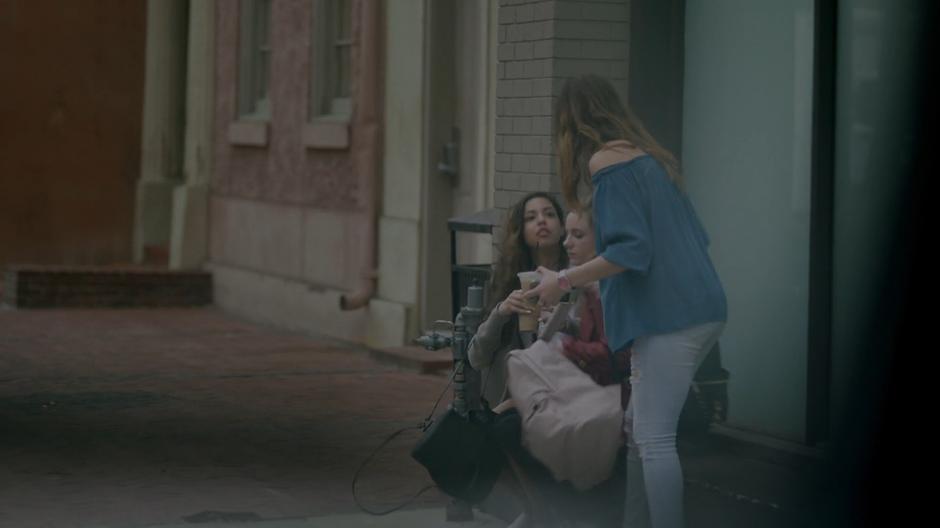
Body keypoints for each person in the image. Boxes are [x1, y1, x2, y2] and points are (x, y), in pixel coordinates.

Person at [528, 74, 728, 528]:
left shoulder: (607, 164)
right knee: (640, 432)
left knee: (654, 439)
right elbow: (698, 238)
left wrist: (563, 279)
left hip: (670, 320)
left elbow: (629, 251)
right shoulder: (652, 161)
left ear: (572, 123)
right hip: (700, 309)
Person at [467, 191, 567, 410]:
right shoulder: (506, 281)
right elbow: (476, 358)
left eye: (549, 214)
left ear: (562, 228)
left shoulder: (575, 280)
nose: (541, 220)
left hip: (565, 399)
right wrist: (501, 312)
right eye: (531, 217)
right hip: (510, 410)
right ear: (521, 233)